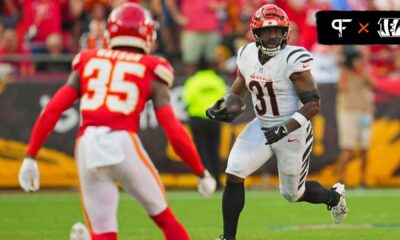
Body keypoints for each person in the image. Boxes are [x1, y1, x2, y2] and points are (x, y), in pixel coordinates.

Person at [18, 3, 216, 240]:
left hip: (87, 144)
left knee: (104, 233)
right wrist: (200, 171)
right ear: (147, 35)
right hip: (122, 142)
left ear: (111, 33)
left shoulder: (88, 60)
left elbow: (52, 110)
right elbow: (173, 131)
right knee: (164, 218)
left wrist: (31, 156)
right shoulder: (151, 68)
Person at [206, 4, 348, 240]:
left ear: (286, 32)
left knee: (293, 194)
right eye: (266, 31)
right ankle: (228, 237)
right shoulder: (246, 54)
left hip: (293, 130)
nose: (272, 36)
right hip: (262, 124)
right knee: (234, 171)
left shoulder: (293, 59)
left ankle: (334, 197)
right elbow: (240, 86)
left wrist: (285, 127)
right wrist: (222, 104)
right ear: (256, 33)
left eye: (277, 31)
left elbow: (313, 104)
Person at [183, 62, 227, 189]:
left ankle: (206, 182)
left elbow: (187, 99)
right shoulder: (217, 80)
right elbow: (224, 99)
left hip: (198, 119)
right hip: (214, 119)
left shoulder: (192, 81)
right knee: (215, 151)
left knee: (202, 152)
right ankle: (218, 182)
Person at [336, 46, 375, 188]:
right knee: (348, 148)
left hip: (365, 111)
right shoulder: (344, 70)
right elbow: (341, 87)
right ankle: (340, 179)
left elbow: (372, 83)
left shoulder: (365, 70)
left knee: (365, 148)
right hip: (349, 111)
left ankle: (363, 180)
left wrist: (361, 70)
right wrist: (347, 66)